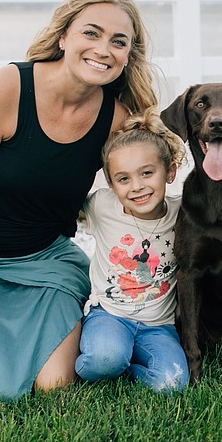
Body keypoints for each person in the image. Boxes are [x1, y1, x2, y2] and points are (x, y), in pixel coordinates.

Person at [0, 0, 159, 401]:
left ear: (127, 55)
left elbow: (149, 179)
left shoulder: (115, 119)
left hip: (45, 262)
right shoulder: (9, 88)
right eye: (92, 33)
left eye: (118, 42)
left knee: (54, 384)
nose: (104, 49)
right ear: (63, 36)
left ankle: (118, 334)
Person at [74, 108, 189, 392]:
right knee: (102, 360)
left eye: (147, 173)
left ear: (170, 171)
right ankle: (113, 360)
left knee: (172, 384)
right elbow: (57, 197)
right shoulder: (102, 206)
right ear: (111, 184)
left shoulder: (184, 213)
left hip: (160, 327)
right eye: (123, 179)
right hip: (109, 315)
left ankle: (127, 370)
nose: (137, 187)